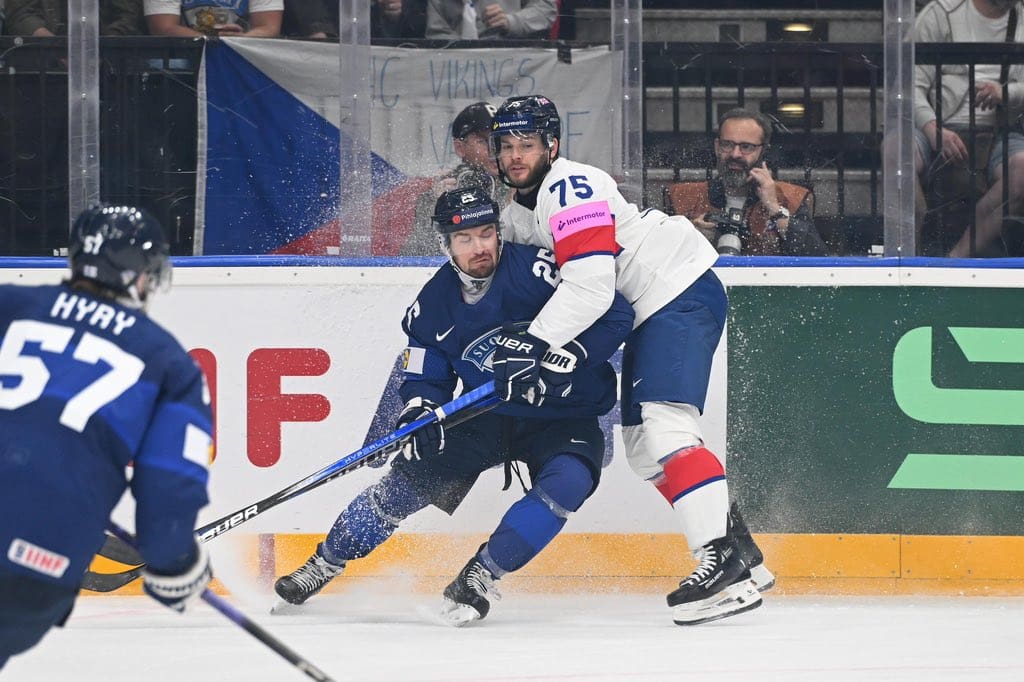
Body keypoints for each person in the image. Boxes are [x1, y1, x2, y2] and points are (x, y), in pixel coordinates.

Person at [273, 187, 634, 626]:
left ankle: (480, 576)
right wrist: (422, 408)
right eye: (465, 239)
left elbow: (617, 313)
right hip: (487, 413)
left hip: (564, 416)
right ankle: (325, 563)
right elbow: (426, 375)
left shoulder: (539, 272)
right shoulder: (431, 305)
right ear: (445, 245)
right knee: (404, 484)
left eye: (486, 234)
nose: (480, 247)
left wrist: (569, 355)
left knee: (569, 483)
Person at [492, 95, 773, 626]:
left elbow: (592, 288)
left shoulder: (569, 187)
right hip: (653, 307)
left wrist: (533, 344)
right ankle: (742, 552)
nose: (514, 155)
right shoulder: (519, 212)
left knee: (667, 429)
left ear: (551, 145)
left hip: (676, 291)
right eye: (505, 146)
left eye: (526, 144)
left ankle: (723, 561)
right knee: (645, 449)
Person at [0, 204, 215, 670]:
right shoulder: (168, 363)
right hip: (37, 560)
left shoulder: (9, 307)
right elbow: (169, 486)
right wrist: (175, 562)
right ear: (136, 274)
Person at [913, 0, 1024, 257]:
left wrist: (1006, 92)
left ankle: (955, 261)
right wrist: (931, 128)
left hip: (1001, 132)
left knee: (1022, 171)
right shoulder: (941, 13)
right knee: (897, 153)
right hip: (935, 123)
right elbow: (908, 84)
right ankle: (911, 260)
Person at [665, 108, 828, 257]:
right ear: (717, 147)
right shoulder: (683, 196)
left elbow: (818, 263)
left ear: (763, 151)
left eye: (746, 147)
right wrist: (692, 238)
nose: (735, 154)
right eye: (727, 144)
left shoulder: (792, 198)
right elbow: (658, 263)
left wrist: (774, 207)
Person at [402, 101, 510, 255]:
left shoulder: (522, 185)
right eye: (483, 141)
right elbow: (413, 256)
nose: (494, 149)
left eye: (499, 139)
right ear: (460, 148)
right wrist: (439, 210)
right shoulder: (441, 192)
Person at [144, 0, 283, 38]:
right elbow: (162, 28)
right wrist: (212, 40)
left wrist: (241, 38)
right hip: (184, 61)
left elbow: (269, 27)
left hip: (242, 56)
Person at [425, 0, 556, 40]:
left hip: (513, 71)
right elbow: (436, 33)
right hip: (454, 78)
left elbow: (546, 9)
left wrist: (511, 21)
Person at [5, 0, 145, 35]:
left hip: (108, 61)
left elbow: (129, 14)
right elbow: (19, 15)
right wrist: (57, 49)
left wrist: (102, 51)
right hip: (43, 60)